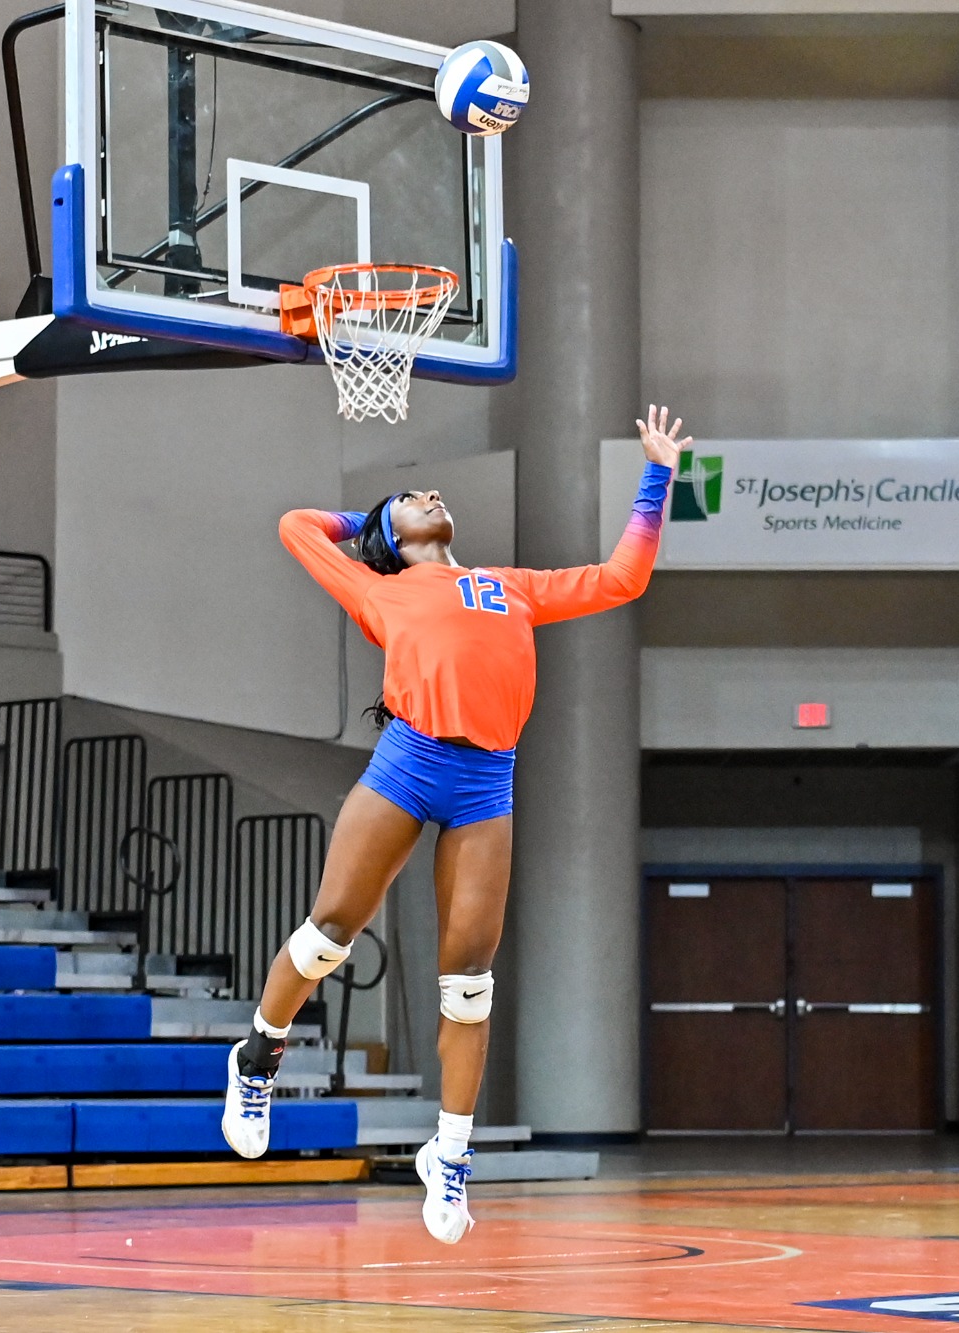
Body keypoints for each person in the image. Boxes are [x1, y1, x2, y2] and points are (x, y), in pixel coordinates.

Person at [219, 405, 688, 1244]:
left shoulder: (510, 585)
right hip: (407, 762)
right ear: (392, 537)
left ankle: (452, 1155)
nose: (429, 492)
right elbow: (296, 526)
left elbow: (624, 578)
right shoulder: (380, 586)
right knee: (331, 932)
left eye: (426, 490)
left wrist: (658, 475)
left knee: (469, 980)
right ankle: (258, 1054)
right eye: (410, 496)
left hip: (486, 781)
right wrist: (364, 525)